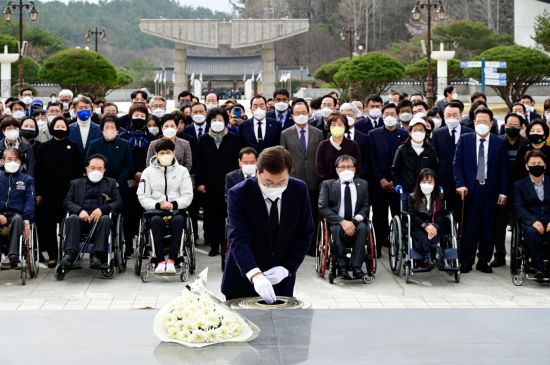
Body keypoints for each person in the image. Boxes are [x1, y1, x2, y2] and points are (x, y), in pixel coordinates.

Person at [221, 146, 314, 303]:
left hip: (280, 279)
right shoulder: (239, 194)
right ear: (258, 172)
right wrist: (255, 275)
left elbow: (305, 233)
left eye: (282, 182)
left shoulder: (299, 189)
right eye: (268, 182)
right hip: (243, 277)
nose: (275, 187)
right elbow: (237, 238)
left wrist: (287, 268)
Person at [454, 107, 509, 273]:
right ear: (474, 122)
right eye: (479, 121)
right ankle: (466, 260)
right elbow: (457, 165)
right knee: (469, 226)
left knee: (488, 226)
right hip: (470, 190)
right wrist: (460, 184)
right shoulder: (465, 140)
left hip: (491, 190)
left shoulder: (499, 143)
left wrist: (503, 191)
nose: (482, 124)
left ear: (491, 123)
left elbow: (504, 169)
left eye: (485, 122)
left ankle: (484, 260)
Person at [138, 139, 193, 274]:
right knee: (156, 221)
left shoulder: (183, 171)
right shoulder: (148, 172)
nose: (165, 155)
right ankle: (160, 260)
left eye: (168, 152)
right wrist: (158, 204)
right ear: (156, 154)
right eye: (162, 153)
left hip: (176, 210)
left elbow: (187, 195)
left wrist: (174, 204)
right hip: (155, 211)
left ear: (174, 153)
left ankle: (173, 260)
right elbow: (142, 196)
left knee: (179, 221)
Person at [35, 117, 82, 268]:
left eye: (63, 126)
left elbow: (79, 171)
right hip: (49, 193)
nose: (60, 129)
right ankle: (53, 256)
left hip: (69, 193)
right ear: (52, 127)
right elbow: (39, 172)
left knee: (68, 223)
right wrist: (39, 193)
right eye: (57, 126)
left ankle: (69, 254)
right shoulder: (44, 147)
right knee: (49, 225)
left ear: (67, 129)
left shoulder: (73, 146)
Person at [61, 154, 123, 268]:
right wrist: (79, 211)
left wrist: (102, 209)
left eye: (100, 168)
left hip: (100, 222)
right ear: (87, 168)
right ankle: (70, 254)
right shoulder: (75, 183)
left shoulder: (111, 183)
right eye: (92, 168)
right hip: (80, 221)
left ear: (105, 170)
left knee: (106, 219)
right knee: (72, 218)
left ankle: (97, 255)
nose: (96, 171)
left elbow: (118, 202)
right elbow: (67, 202)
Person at [195, 108, 241, 257]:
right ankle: (214, 245)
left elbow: (237, 162)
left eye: (220, 120)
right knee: (212, 215)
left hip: (229, 184)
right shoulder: (203, 139)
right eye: (214, 120)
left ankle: (226, 244)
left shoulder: (233, 139)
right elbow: (199, 162)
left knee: (227, 214)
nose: (217, 123)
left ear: (226, 122)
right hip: (209, 184)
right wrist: (200, 183)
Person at [280, 99, 324, 255]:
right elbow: (283, 158)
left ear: (309, 113)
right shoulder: (285, 134)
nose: (301, 116)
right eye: (297, 113)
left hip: (313, 180)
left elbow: (320, 157)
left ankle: (311, 246)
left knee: (312, 215)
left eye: (303, 113)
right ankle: (293, 246)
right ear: (292, 115)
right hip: (294, 180)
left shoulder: (318, 133)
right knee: (293, 215)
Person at [318, 155, 369, 279]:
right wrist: (342, 221)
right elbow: (323, 207)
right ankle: (341, 266)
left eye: (350, 166)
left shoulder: (363, 184)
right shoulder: (328, 185)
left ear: (355, 169)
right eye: (343, 167)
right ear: (337, 170)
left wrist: (355, 220)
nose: (346, 169)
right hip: (337, 221)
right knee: (336, 229)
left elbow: (366, 206)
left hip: (356, 221)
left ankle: (356, 266)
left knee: (363, 228)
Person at [368, 103, 408, 256]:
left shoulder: (404, 134)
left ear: (397, 116)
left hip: (397, 183)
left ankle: (399, 246)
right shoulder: (373, 134)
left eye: (392, 114)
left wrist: (394, 181)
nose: (389, 117)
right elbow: (372, 158)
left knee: (399, 214)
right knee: (379, 217)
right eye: (386, 114)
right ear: (382, 116)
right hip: (379, 184)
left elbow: (404, 160)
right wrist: (381, 179)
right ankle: (377, 248)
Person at [491, 113, 528, 268]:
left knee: (521, 225)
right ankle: (499, 256)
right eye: (509, 125)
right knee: (499, 225)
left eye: (515, 126)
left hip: (521, 190)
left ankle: (521, 256)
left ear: (521, 127)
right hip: (502, 190)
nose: (511, 128)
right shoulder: (498, 142)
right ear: (504, 125)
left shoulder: (526, 144)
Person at [119, 104, 153, 257]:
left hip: (147, 180)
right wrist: (132, 175)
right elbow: (122, 161)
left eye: (142, 116)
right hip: (128, 181)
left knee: (144, 214)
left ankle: (145, 245)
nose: (138, 118)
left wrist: (143, 174)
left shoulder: (151, 138)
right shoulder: (123, 137)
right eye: (136, 115)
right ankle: (128, 247)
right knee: (128, 215)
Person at [431, 102, 474, 215]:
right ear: (444, 116)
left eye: (455, 115)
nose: (451, 118)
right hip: (444, 180)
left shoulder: (470, 133)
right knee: (445, 214)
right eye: (448, 115)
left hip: (465, 181)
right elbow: (434, 158)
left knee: (464, 213)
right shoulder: (437, 134)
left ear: (460, 115)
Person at [513, 149, 550, 279]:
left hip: (549, 219)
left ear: (545, 165)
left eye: (539, 163)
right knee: (531, 233)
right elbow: (519, 207)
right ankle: (539, 268)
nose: (536, 166)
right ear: (527, 166)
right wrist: (533, 221)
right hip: (531, 221)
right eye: (533, 163)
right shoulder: (519, 185)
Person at [0, 148, 35, 268]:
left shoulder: (27, 180)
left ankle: (13, 254)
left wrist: (27, 221)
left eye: (16, 159)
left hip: (15, 215)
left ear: (20, 162)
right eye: (9, 159)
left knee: (18, 220)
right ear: (2, 161)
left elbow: (30, 201)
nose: (13, 162)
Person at [86, 115, 134, 194]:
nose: (109, 130)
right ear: (102, 130)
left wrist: (118, 182)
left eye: (112, 127)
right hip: (98, 184)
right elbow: (88, 163)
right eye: (106, 127)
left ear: (117, 130)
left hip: (120, 185)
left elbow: (129, 165)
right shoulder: (94, 144)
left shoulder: (124, 144)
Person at [408, 168, 446, 266]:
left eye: (430, 182)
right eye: (424, 181)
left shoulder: (439, 197)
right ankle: (429, 255)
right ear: (419, 182)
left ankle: (436, 254)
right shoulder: (413, 197)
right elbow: (413, 216)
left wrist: (435, 226)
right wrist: (425, 226)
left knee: (436, 235)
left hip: (435, 226)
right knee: (423, 238)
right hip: (419, 227)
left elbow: (442, 215)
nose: (427, 184)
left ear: (435, 183)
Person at [391, 118, 438, 193]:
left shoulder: (430, 150)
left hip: (426, 189)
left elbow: (435, 169)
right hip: (407, 190)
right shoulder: (402, 149)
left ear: (425, 132)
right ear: (410, 132)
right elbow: (395, 169)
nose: (418, 132)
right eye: (415, 130)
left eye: (421, 130)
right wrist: (397, 183)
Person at [315, 112, 362, 182]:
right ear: (329, 127)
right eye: (333, 125)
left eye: (340, 125)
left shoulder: (353, 145)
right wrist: (332, 183)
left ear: (345, 127)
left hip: (349, 182)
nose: (336, 127)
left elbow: (357, 166)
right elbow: (320, 169)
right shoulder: (323, 145)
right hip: (328, 184)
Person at [68, 95, 102, 165]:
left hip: (94, 168)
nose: (83, 110)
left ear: (91, 111)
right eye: (80, 108)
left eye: (86, 107)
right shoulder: (68, 129)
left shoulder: (100, 129)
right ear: (74, 111)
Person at [339, 102, 370, 180]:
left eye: (350, 115)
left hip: (358, 178)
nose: (347, 118)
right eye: (344, 116)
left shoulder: (364, 137)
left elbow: (366, 161)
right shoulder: (332, 135)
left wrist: (357, 176)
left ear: (356, 116)